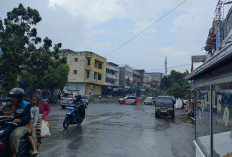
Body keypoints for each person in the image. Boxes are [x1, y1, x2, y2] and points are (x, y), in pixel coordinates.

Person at [2, 88, 31, 157]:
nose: (11, 100)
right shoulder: (8, 104)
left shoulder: (26, 105)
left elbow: (27, 116)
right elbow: (2, 112)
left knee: (14, 135)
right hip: (8, 124)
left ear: (19, 98)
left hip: (21, 126)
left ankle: (14, 154)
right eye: (11, 98)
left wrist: (19, 120)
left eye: (13, 99)